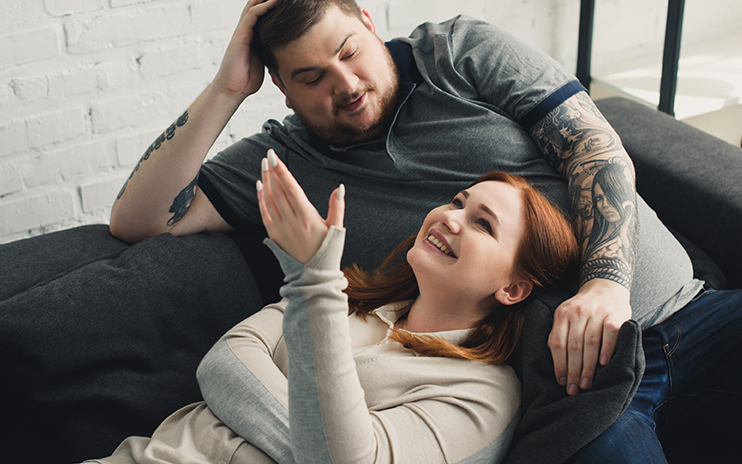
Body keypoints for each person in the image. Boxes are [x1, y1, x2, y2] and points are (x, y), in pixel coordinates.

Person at [2, 0, 738, 462]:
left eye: (347, 53)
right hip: (583, 385)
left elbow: (594, 147)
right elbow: (136, 221)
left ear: (367, 23)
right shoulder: (281, 159)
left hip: (687, 305)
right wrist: (227, 88)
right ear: (280, 88)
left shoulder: (458, 50)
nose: (344, 84)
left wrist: (608, 282)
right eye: (311, 77)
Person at [83, 163, 579, 464]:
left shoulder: (484, 395)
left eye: (482, 224)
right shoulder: (349, 297)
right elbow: (223, 362)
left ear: (513, 288)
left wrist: (312, 278)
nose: (449, 217)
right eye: (457, 201)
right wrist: (323, 437)